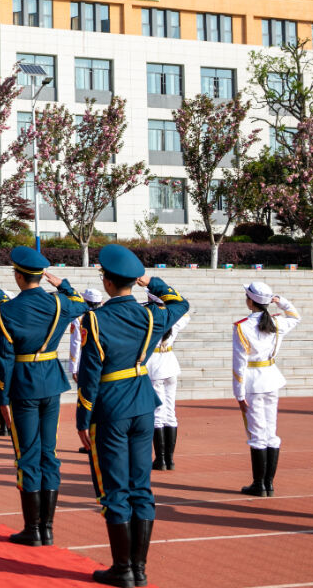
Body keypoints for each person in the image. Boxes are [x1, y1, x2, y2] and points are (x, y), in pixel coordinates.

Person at [74, 244, 190, 587]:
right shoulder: (151, 315)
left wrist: (83, 417)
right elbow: (180, 304)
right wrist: (152, 282)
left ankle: (123, 568)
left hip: (111, 407)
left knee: (114, 489)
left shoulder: (94, 319)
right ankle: (139, 569)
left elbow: (88, 374)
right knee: (141, 487)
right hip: (142, 403)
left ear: (108, 283)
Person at [0, 246, 88, 547]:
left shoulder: (5, 310)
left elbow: (4, 359)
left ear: (18, 276)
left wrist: (4, 396)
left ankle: (33, 529)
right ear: (40, 276)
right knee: (49, 453)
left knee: (28, 456)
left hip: (23, 384)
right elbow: (80, 303)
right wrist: (61, 283)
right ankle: (47, 527)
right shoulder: (58, 303)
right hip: (50, 381)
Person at [232, 282, 300, 498]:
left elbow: (239, 363)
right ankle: (268, 483)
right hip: (271, 377)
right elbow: (295, 316)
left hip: (253, 381)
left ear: (250, 301)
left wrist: (239, 394)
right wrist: (281, 301)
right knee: (270, 432)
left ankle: (259, 484)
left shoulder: (242, 326)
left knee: (256, 434)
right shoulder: (276, 322)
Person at [147, 300, 190, 471]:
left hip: (154, 365)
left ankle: (160, 459)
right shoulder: (175, 319)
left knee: (158, 413)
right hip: (170, 364)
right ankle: (169, 459)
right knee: (170, 412)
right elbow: (185, 313)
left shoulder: (149, 318)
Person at [69, 288, 103, 455]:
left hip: (86, 363)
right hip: (103, 365)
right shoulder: (104, 315)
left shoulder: (81, 318)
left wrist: (73, 367)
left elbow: (76, 344)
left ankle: (90, 441)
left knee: (87, 402)